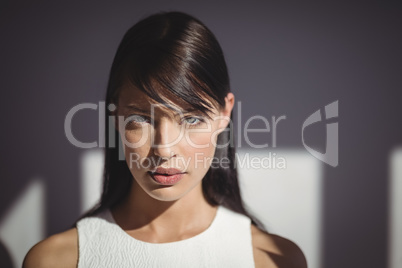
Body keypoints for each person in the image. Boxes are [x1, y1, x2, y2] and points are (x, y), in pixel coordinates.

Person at [23, 11, 307, 268]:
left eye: (192, 119)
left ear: (225, 113)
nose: (165, 149)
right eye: (142, 119)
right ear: (115, 115)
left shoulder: (274, 260)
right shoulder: (55, 260)